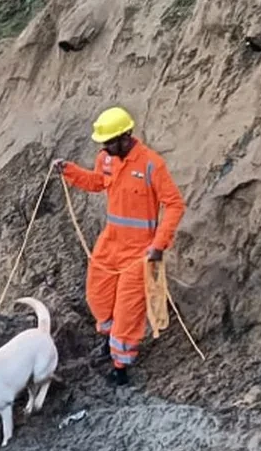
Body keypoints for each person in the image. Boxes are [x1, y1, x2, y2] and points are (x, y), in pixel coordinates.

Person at [56, 107, 186, 387]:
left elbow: (174, 204)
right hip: (110, 243)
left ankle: (120, 367)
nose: (104, 148)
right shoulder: (106, 159)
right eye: (103, 143)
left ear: (126, 136)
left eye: (109, 142)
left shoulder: (151, 165)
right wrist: (69, 171)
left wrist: (158, 245)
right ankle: (109, 339)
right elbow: (97, 182)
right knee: (98, 296)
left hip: (139, 252)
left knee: (128, 311)